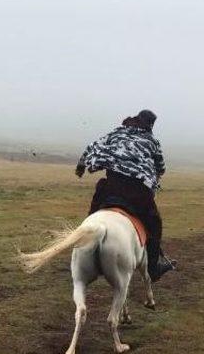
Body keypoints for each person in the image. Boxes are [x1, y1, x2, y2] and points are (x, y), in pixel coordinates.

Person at [75, 109, 176, 282]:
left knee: (94, 213)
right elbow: (161, 167)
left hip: (111, 186)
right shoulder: (152, 141)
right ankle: (153, 268)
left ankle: (86, 249)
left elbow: (93, 146)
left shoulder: (117, 132)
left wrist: (81, 166)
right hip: (137, 191)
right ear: (151, 124)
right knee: (155, 223)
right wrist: (155, 176)